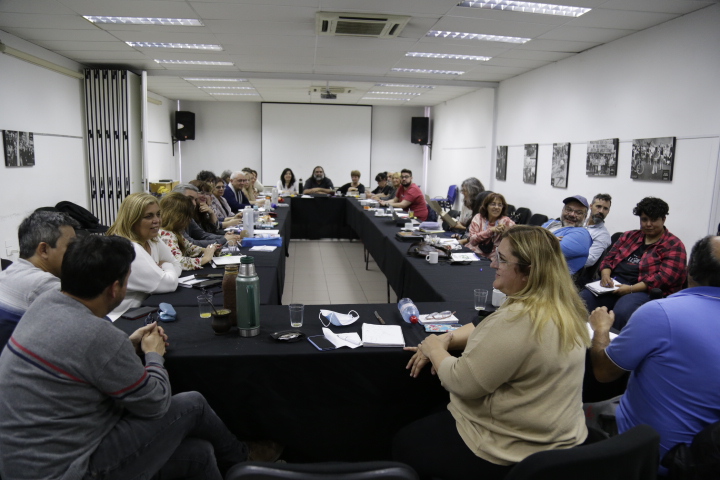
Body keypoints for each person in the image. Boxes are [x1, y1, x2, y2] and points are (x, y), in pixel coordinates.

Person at [0, 234, 281, 480]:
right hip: (71, 469)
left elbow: (81, 357)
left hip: (24, 464)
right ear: (115, 289)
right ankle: (244, 457)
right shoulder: (98, 334)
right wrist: (154, 355)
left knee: (200, 453)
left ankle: (237, 463)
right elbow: (155, 404)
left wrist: (125, 344)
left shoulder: (45, 304)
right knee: (192, 404)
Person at [394, 226, 590, 480]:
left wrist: (434, 347)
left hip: (511, 448)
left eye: (502, 259)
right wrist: (446, 338)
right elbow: (488, 329)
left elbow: (461, 382)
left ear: (529, 271)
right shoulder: (565, 308)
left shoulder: (517, 320)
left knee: (404, 441)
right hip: (561, 439)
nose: (492, 264)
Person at [588, 235, 720, 475]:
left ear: (689, 270)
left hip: (649, 456)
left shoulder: (661, 313)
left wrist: (601, 330)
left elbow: (604, 372)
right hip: (706, 460)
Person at [580, 196, 687, 330]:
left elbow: (663, 278)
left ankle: (609, 342)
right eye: (644, 219)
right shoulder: (629, 236)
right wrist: (605, 275)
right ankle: (581, 335)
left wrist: (631, 289)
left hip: (644, 289)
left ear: (663, 219)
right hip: (614, 283)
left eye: (654, 220)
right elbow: (608, 259)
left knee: (623, 311)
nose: (648, 224)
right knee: (583, 299)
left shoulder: (674, 245)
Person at [106, 193, 181, 319]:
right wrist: (167, 267)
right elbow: (169, 284)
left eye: (158, 214)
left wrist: (165, 269)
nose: (157, 220)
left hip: (143, 309)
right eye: (148, 216)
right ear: (132, 220)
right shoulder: (129, 248)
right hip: (122, 317)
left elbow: (177, 264)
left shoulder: (152, 239)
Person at [0, 211, 78, 323]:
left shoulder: (10, 271)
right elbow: (92, 324)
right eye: (71, 246)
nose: (76, 252)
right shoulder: (44, 285)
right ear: (44, 250)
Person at [159, 193, 219, 271]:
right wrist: (205, 259)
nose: (189, 220)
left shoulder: (174, 232)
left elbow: (188, 247)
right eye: (187, 216)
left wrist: (207, 251)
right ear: (178, 216)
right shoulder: (166, 235)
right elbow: (178, 262)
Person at [541, 195, 593, 275]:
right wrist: (549, 240)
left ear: (585, 217)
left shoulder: (582, 235)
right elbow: (530, 238)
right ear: (562, 210)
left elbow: (548, 250)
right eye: (569, 210)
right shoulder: (552, 223)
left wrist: (541, 238)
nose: (572, 214)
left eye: (578, 213)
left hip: (551, 278)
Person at [464, 193, 515, 258]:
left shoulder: (506, 221)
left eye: (500, 205)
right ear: (486, 206)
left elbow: (517, 236)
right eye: (493, 204)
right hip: (473, 253)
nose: (496, 207)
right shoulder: (478, 218)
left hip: (492, 258)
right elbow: (472, 241)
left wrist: (506, 232)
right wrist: (490, 230)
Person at [584, 193, 612, 267]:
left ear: (608, 211)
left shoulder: (603, 235)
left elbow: (589, 260)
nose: (601, 211)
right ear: (591, 206)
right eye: (598, 206)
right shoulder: (580, 223)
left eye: (605, 208)